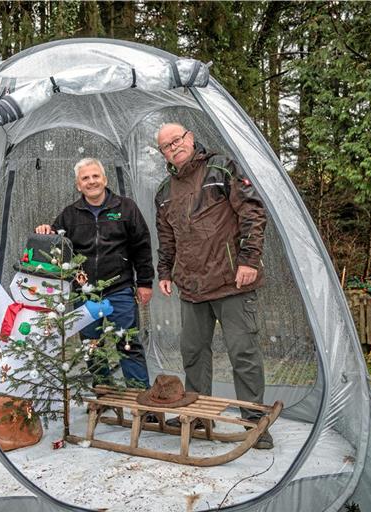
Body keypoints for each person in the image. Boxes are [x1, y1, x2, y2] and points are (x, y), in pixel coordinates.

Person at [154, 123, 273, 449]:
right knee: (193, 353)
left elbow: (253, 212)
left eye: (176, 140)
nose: (173, 147)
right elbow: (167, 239)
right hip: (191, 287)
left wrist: (249, 260)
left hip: (232, 280)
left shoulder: (221, 167)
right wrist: (164, 271)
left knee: (243, 353)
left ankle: (255, 422)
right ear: (163, 153)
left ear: (190, 138)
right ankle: (197, 414)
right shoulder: (164, 192)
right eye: (165, 146)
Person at [35, 157, 154, 390]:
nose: (91, 182)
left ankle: (141, 397)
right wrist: (46, 231)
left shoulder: (126, 208)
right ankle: (104, 392)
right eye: (85, 178)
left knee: (127, 342)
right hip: (84, 293)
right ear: (78, 185)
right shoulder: (70, 215)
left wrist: (145, 283)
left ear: (105, 179)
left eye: (95, 176)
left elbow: (142, 246)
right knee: (91, 345)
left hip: (120, 288)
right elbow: (58, 247)